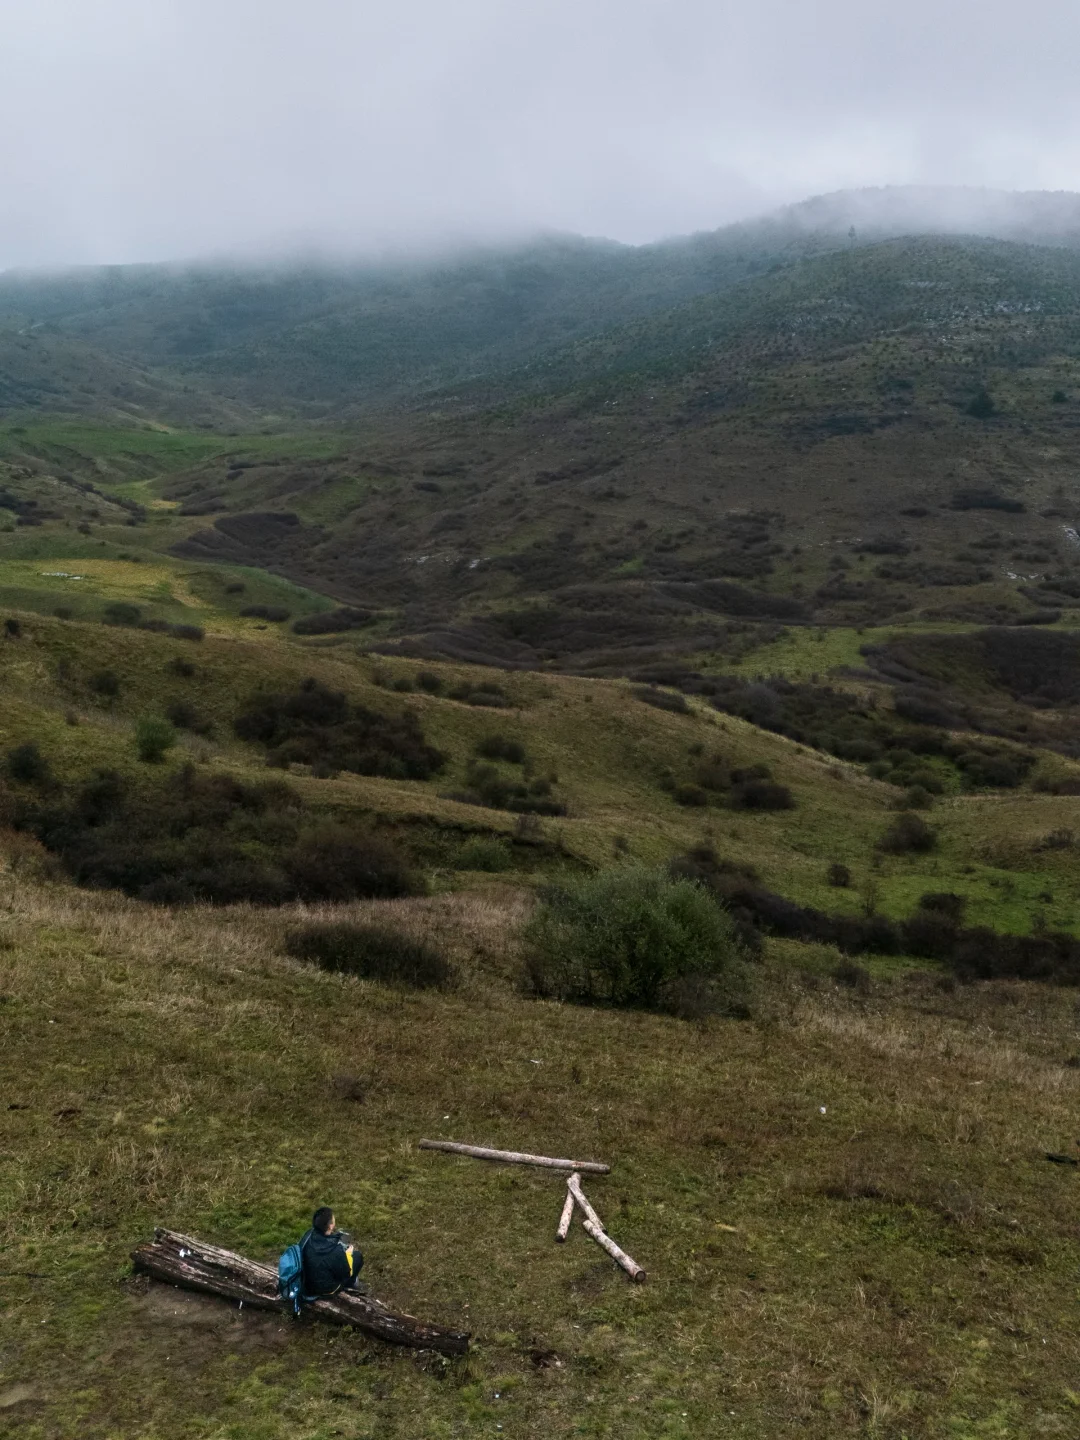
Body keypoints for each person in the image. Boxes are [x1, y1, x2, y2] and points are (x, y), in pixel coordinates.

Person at [302, 1207, 365, 1298]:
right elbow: (346, 1272)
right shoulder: (335, 1250)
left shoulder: (308, 1235)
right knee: (358, 1257)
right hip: (324, 1290)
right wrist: (348, 1254)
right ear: (330, 1226)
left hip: (305, 1281)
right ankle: (351, 1284)